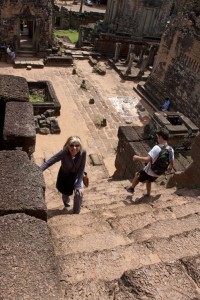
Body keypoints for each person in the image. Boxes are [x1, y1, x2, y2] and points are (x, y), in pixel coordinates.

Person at [40, 136, 86, 214]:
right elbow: (50, 161)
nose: (74, 148)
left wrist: (78, 185)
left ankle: (76, 212)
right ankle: (67, 206)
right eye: (72, 145)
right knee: (65, 194)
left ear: (80, 146)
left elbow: (82, 168)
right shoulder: (64, 153)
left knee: (79, 193)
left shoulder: (83, 152)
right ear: (68, 145)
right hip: (65, 177)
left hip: (77, 176)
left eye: (77, 145)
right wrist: (39, 170)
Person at [126, 128, 174, 197]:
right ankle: (148, 194)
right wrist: (169, 169)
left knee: (137, 175)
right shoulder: (171, 149)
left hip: (150, 170)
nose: (157, 139)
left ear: (160, 137)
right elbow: (171, 162)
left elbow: (147, 159)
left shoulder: (157, 148)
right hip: (159, 172)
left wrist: (136, 157)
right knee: (149, 180)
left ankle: (131, 189)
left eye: (157, 137)